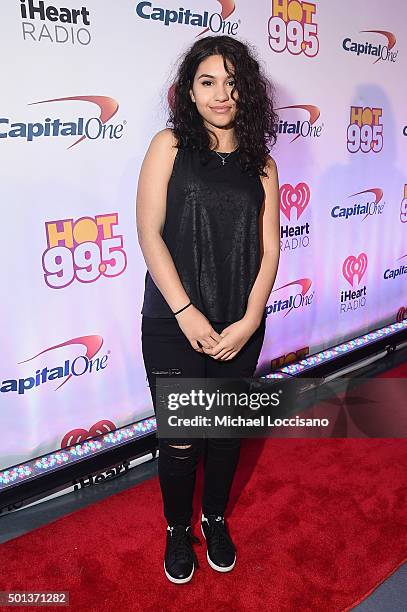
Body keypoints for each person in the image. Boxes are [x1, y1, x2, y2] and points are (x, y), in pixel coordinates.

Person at [136, 34, 280, 584]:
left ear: (247, 92)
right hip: (173, 322)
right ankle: (177, 529)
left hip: (240, 322)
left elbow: (271, 248)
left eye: (232, 81)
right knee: (179, 439)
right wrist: (185, 311)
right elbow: (149, 232)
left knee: (222, 433)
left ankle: (214, 518)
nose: (221, 93)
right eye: (207, 81)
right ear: (189, 91)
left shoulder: (261, 163)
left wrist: (248, 320)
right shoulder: (168, 145)